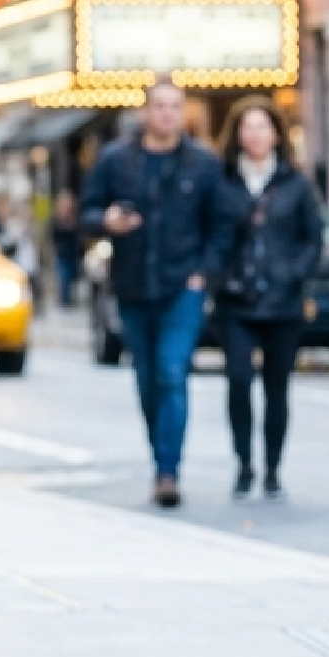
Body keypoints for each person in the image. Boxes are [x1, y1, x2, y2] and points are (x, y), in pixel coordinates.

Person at [79, 79, 234, 510]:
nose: (167, 113)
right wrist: (106, 220)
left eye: (175, 106)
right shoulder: (116, 160)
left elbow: (221, 225)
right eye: (160, 105)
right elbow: (86, 212)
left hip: (182, 285)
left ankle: (169, 471)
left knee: (171, 371)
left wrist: (204, 273)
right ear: (145, 111)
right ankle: (160, 456)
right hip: (132, 285)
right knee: (147, 380)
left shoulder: (202, 164)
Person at [214, 97, 322, 501]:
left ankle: (273, 468)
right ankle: (244, 463)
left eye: (263, 127)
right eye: (248, 127)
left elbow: (313, 239)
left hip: (282, 301)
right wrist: (220, 277)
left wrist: (294, 274)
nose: (255, 135)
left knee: (277, 387)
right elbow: (212, 234)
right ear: (237, 134)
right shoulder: (223, 182)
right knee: (239, 380)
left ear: (276, 134)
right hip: (236, 300)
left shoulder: (295, 183)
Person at [51, 189, 84, 308]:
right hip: (62, 253)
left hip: (74, 253)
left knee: (73, 276)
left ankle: (69, 298)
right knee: (64, 276)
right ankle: (65, 300)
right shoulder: (56, 219)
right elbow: (53, 235)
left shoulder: (76, 218)